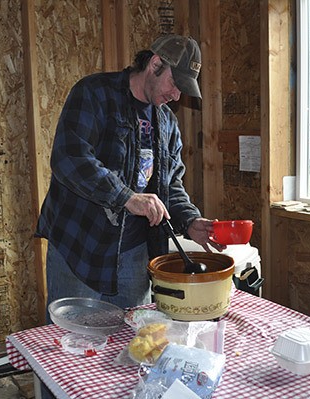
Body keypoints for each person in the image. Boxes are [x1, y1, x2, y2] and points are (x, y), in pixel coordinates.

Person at [35, 34, 226, 321]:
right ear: (155, 63)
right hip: (81, 246)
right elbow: (70, 159)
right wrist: (127, 197)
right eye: (175, 84)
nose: (176, 96)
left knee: (134, 338)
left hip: (135, 255)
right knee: (71, 341)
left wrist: (189, 220)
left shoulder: (167, 123)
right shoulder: (94, 93)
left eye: (183, 90)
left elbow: (170, 184)